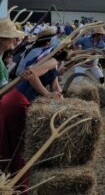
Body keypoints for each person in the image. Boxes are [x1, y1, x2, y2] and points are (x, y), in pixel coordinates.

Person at [0, 16, 62, 187]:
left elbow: (52, 83)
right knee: (14, 149)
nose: (16, 39)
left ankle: (10, 183)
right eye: (12, 37)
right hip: (14, 102)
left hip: (10, 100)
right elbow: (31, 76)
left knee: (12, 147)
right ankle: (14, 185)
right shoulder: (48, 59)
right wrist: (47, 94)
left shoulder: (42, 57)